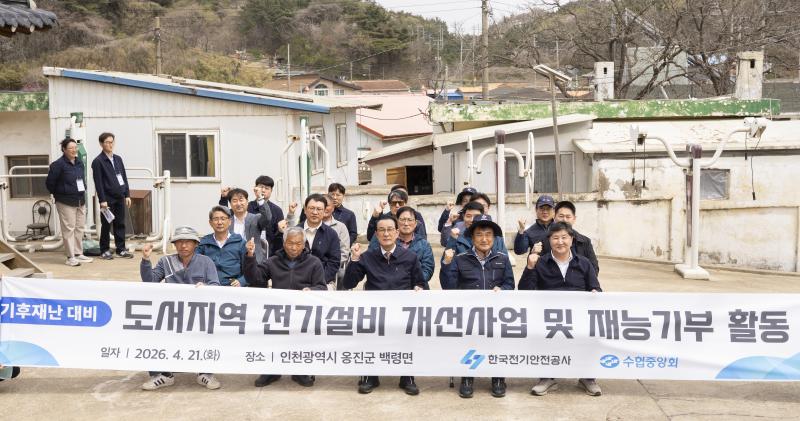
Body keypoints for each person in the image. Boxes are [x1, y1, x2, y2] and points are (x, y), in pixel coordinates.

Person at [518, 221, 602, 397]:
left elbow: (596, 288)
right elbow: (524, 291)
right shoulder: (540, 262)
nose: (560, 242)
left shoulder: (584, 263)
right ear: (549, 240)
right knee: (543, 338)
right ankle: (546, 378)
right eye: (555, 238)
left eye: (564, 237)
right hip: (548, 317)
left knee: (590, 337)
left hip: (579, 316)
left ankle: (587, 378)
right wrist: (530, 267)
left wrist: (594, 292)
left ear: (571, 239)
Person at [343, 216, 424, 395]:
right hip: (375, 313)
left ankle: (407, 377)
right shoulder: (367, 257)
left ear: (397, 232)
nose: (386, 234)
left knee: (407, 339)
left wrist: (419, 288)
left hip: (402, 312)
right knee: (370, 339)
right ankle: (371, 376)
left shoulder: (410, 257)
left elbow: (420, 283)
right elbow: (348, 282)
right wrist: (354, 260)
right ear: (376, 234)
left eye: (390, 230)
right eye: (381, 230)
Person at [440, 215, 514, 398]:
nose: (484, 239)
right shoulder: (460, 259)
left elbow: (510, 285)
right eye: (479, 234)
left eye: (488, 234)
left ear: (495, 239)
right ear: (472, 238)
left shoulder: (503, 259)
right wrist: (447, 264)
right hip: (468, 315)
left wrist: (502, 289)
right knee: (469, 343)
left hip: (496, 314)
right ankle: (467, 377)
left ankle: (498, 378)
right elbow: (449, 287)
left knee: (496, 343)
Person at [244, 226, 327, 388]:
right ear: (284, 243)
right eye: (290, 243)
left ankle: (300, 371)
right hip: (278, 313)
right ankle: (272, 371)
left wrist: (311, 290)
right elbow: (255, 278)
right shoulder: (273, 261)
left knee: (301, 341)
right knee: (273, 340)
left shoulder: (314, 263)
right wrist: (250, 256)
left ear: (304, 244)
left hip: (303, 313)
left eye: (298, 244)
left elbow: (322, 287)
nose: (294, 247)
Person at [139, 226, 221, 391]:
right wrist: (146, 260)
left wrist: (205, 286)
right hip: (172, 314)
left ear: (195, 244)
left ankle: (205, 373)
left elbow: (215, 285)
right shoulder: (166, 261)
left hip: (198, 315)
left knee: (210, 334)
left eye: (187, 242)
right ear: (175, 245)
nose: (183, 246)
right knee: (151, 333)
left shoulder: (206, 262)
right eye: (179, 242)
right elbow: (150, 283)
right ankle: (162, 375)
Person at [45, 138, 93, 267]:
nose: (74, 150)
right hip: (65, 201)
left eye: (75, 147)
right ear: (64, 150)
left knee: (79, 227)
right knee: (68, 229)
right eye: (70, 148)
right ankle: (70, 257)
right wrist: (60, 193)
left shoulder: (79, 163)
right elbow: (50, 183)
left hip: (80, 200)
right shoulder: (58, 165)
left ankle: (78, 253)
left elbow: (82, 179)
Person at [276, 194, 340, 285]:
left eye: (319, 209)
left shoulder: (331, 234)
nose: (315, 212)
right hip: (295, 280)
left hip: (323, 281)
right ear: (305, 210)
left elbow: (334, 263)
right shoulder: (294, 231)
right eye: (311, 208)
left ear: (325, 211)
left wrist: (320, 281)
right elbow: (283, 255)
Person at [368, 206, 434, 288]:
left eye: (410, 220)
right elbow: (371, 262)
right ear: (397, 221)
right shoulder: (385, 239)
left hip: (417, 288)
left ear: (415, 223)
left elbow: (428, 269)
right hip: (388, 287)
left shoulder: (424, 244)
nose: (406, 223)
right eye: (402, 220)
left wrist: (416, 282)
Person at [91, 132, 133, 260]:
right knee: (106, 225)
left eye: (112, 142)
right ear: (101, 144)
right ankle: (104, 250)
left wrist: (127, 195)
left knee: (120, 224)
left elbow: (123, 178)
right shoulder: (98, 161)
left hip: (120, 196)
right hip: (107, 199)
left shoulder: (118, 159)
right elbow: (98, 182)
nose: (110, 144)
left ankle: (121, 249)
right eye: (107, 142)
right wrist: (102, 200)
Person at [220, 175, 283, 256]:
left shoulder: (276, 210)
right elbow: (224, 214)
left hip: (265, 252)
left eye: (267, 188)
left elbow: (269, 220)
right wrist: (224, 198)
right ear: (255, 189)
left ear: (271, 191)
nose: (263, 190)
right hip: (235, 254)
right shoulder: (245, 207)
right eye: (261, 187)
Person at [196, 206, 248, 287]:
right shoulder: (204, 243)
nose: (219, 222)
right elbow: (195, 266)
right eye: (216, 219)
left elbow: (250, 270)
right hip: (209, 286)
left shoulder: (240, 243)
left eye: (223, 219)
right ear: (210, 223)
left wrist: (241, 281)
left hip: (233, 288)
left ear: (230, 221)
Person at [442, 201, 508, 256]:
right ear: (463, 217)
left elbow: (505, 264)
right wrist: (449, 222)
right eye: (468, 216)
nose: (472, 220)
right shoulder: (458, 237)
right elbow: (447, 262)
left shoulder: (497, 239)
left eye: (476, 216)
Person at [223, 188, 271, 263]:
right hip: (232, 261)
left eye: (241, 200)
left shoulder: (256, 218)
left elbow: (267, 217)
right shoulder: (227, 221)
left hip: (254, 260)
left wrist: (260, 198)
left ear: (247, 202)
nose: (238, 203)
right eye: (235, 201)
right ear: (230, 204)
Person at [554, 201, 599, 274]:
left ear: (574, 218)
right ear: (554, 217)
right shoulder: (545, 240)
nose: (564, 220)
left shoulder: (585, 242)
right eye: (561, 216)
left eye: (568, 217)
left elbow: (594, 268)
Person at [321, 194, 350, 289]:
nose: (324, 208)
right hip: (313, 265)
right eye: (322, 206)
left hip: (334, 265)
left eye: (327, 205)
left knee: (343, 274)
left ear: (333, 207)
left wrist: (330, 265)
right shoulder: (310, 226)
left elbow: (344, 252)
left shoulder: (341, 227)